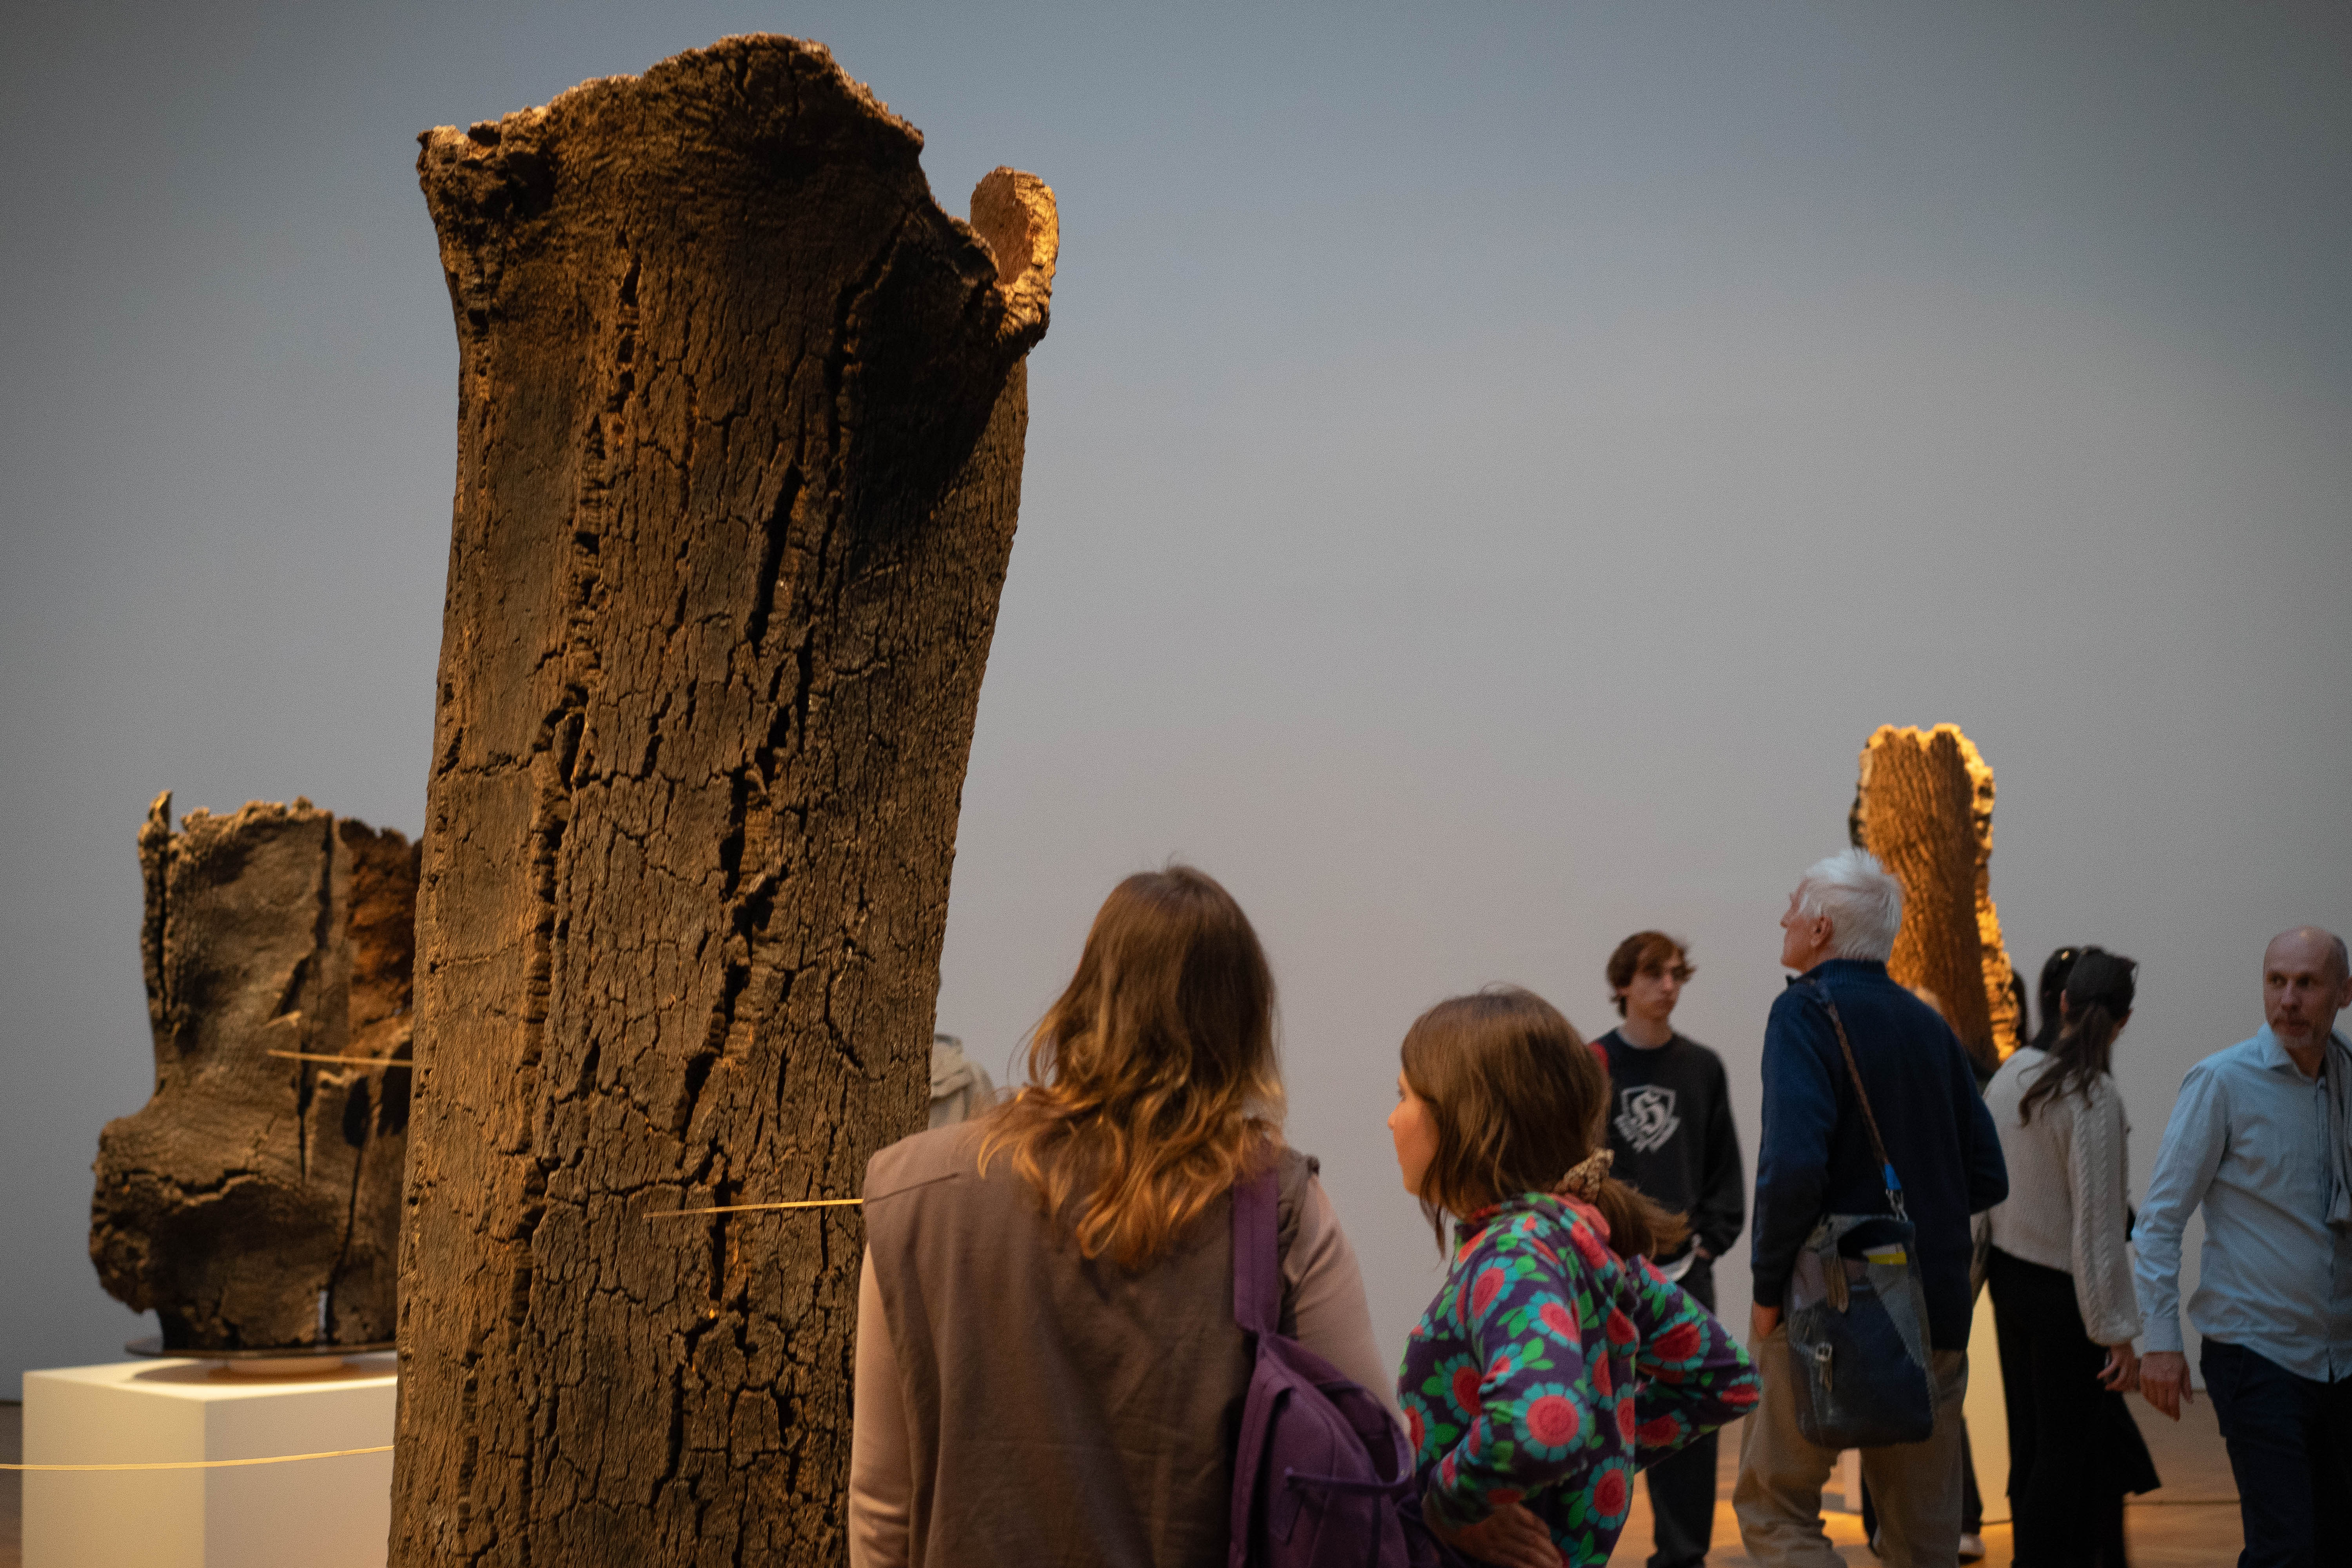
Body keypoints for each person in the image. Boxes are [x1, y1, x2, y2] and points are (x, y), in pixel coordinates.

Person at [848, 867, 1394, 1568]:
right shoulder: (1279, 1205)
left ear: (1084, 1000)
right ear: (1244, 1024)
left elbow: (882, 1509)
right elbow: (1371, 1452)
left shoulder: (916, 1191)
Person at [1389, 986, 1759, 1568]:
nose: (1392, 1119)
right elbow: (1725, 1377)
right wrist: (1596, 1466)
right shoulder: (1577, 1239)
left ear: (1466, 1118)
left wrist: (1448, 1505)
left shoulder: (1515, 1255)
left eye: (1405, 1095)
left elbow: (1542, 1427)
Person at [1733, 848, 2009, 1568]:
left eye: (1793, 905)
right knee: (1924, 1541)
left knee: (1775, 1510)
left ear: (1821, 928)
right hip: (1934, 1310)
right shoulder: (1930, 1026)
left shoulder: (1803, 1012)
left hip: (1828, 1301)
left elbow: (1793, 1167)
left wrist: (1766, 1292)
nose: (1783, 918)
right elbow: (1988, 1176)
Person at [2131, 926, 2352, 1568]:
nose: (2288, 1001)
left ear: (2344, 993)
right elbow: (2161, 1221)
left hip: (2341, 1357)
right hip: (2256, 1352)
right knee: (2285, 1548)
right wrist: (2161, 1343)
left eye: (2306, 984)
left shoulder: (2347, 1079)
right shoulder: (2222, 1083)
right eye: (2276, 982)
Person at [1982, 947, 2159, 1566]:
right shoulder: (2095, 1098)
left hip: (2009, 1280)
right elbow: (2098, 1230)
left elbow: (1985, 1189)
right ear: (2123, 1021)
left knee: (2031, 1446)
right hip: (2065, 1301)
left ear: (2061, 1002)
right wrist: (2116, 1333)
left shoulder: (2013, 1074)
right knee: (2064, 1456)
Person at [1595, 931, 1745, 1568]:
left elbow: (1724, 1165)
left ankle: (1683, 1557)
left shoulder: (1702, 1067)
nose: (1668, 986)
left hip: (1686, 1273)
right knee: (1607, 1413)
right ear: (1622, 984)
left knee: (1688, 1414)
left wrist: (1710, 1245)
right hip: (1611, 1274)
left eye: (1678, 974)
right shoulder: (1594, 1066)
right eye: (1654, 974)